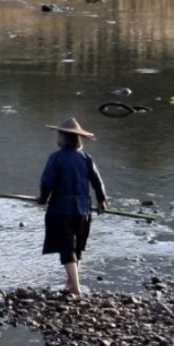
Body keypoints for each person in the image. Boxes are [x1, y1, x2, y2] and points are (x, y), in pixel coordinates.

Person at [37, 117, 107, 297]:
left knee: (67, 248)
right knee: (77, 247)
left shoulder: (56, 158)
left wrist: (42, 199)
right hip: (83, 210)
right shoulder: (86, 158)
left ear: (64, 137)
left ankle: (75, 288)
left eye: (59, 134)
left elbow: (47, 182)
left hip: (62, 210)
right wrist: (101, 201)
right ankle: (70, 283)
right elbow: (97, 182)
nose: (57, 137)